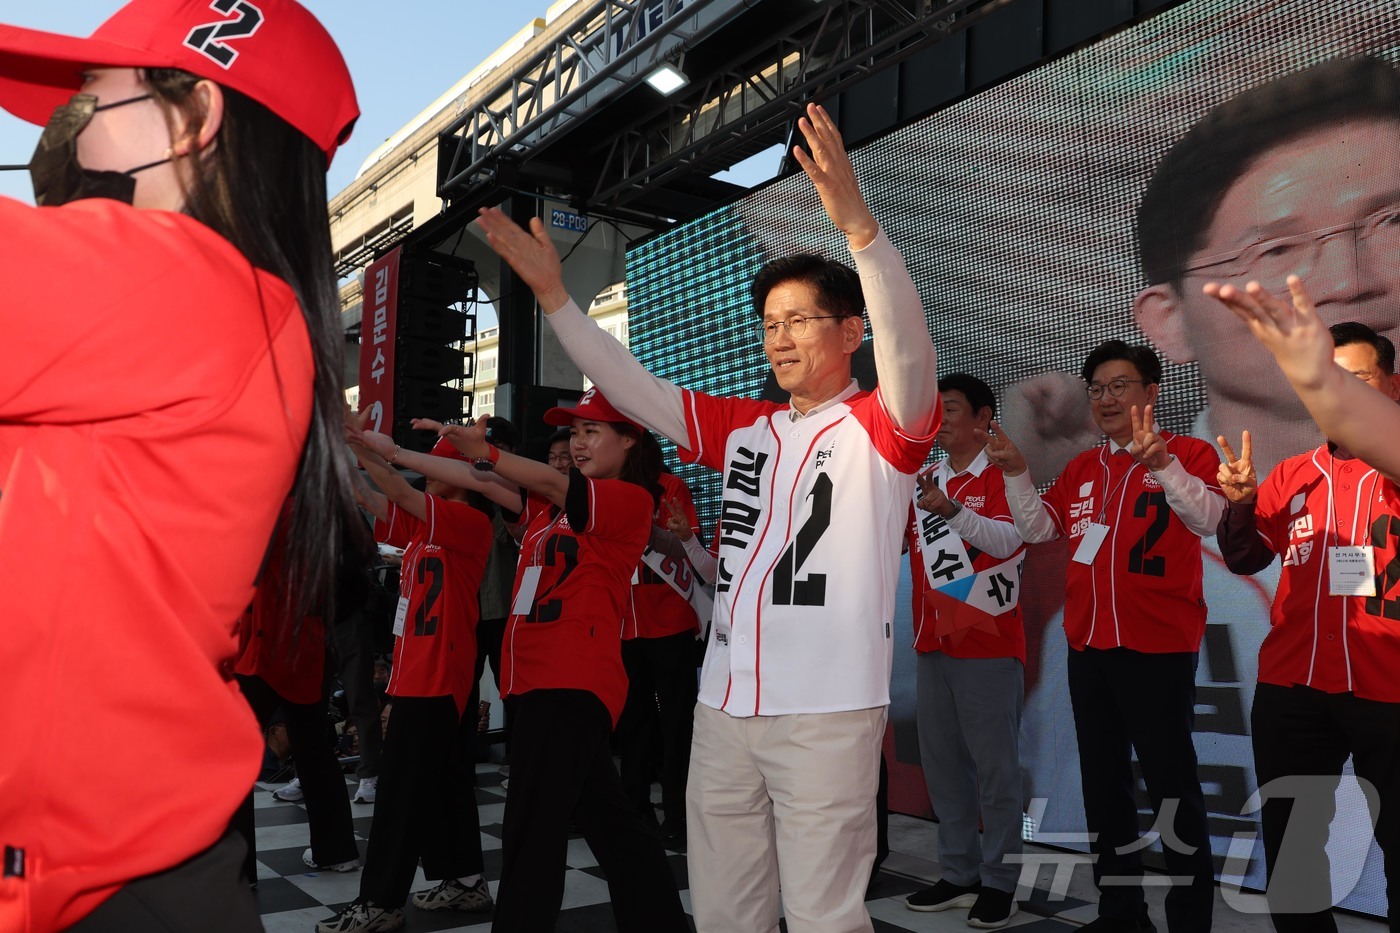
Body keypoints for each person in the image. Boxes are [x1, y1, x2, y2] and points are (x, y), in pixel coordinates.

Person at [476, 101, 939, 933]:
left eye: (800, 320)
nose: (780, 338)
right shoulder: (744, 427)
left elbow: (908, 348)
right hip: (723, 705)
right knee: (725, 911)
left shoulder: (884, 427)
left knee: (823, 914)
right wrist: (555, 300)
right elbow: (634, 388)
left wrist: (861, 232)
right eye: (770, 324)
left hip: (826, 710)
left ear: (850, 332)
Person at [0, 2, 363, 929]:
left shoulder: (189, 278)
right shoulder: (202, 292)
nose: (68, 115)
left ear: (198, 114)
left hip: (91, 876)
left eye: (94, 90)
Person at [368, 391, 689, 933]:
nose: (579, 443)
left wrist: (487, 453)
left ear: (630, 441)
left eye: (592, 432)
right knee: (610, 822)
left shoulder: (629, 500)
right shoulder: (546, 512)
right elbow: (474, 479)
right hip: (536, 682)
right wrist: (391, 452)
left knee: (530, 828)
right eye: (575, 432)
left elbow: (543, 480)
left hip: (570, 681)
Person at [984, 340, 1223, 933]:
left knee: (1172, 788)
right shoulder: (1083, 468)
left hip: (1159, 648)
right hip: (1089, 648)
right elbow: (1039, 529)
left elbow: (1209, 519)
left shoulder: (1189, 452)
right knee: (1104, 784)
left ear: (1151, 392)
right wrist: (1017, 472)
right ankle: (1121, 913)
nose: (1107, 399)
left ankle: (1189, 920)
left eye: (1120, 386)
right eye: (1097, 389)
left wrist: (1161, 463)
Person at [1208, 287, 1400, 931]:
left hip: (1389, 687)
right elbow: (1244, 559)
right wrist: (1240, 504)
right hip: (1293, 688)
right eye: (1327, 380)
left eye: (1357, 380)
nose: (1338, 394)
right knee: (1293, 851)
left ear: (1391, 385)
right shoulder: (1293, 474)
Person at [1133, 55, 1400, 476]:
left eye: (1392, 222)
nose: (1348, 281)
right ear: (1170, 321)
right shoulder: (1130, 493)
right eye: (1276, 250)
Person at [317, 434, 497, 933]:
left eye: (438, 464)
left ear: (465, 476)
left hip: (439, 673)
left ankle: (380, 902)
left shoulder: (469, 521)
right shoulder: (425, 524)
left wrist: (359, 443)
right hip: (419, 671)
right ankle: (464, 880)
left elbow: (394, 490)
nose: (428, 472)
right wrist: (346, 449)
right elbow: (372, 496)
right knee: (444, 780)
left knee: (400, 791)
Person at [900, 374, 1026, 929]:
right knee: (944, 767)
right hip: (932, 641)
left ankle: (1001, 882)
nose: (940, 420)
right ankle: (959, 873)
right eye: (936, 411)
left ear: (983, 419)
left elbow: (1010, 541)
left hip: (987, 642)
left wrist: (951, 511)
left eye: (950, 409)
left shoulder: (1004, 474)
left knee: (996, 771)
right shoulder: (922, 479)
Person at [615, 461, 703, 843]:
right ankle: (635, 813)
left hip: (670, 621)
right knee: (633, 725)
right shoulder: (602, 489)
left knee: (677, 725)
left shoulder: (671, 486)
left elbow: (690, 546)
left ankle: (679, 816)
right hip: (623, 624)